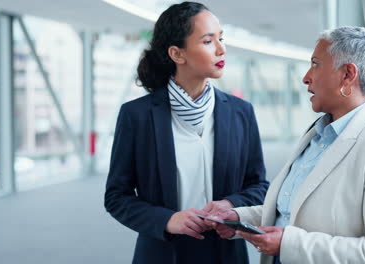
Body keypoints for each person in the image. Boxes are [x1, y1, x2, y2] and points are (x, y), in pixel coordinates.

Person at [213, 26, 365, 264]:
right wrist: (237, 218)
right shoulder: (317, 136)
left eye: (316, 64)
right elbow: (291, 213)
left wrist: (289, 244)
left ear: (348, 74)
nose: (306, 77)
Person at [104, 2, 269, 264]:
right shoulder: (137, 115)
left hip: (226, 254)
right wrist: (167, 220)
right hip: (162, 253)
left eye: (221, 38)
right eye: (207, 41)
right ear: (177, 54)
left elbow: (259, 185)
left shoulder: (241, 113)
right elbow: (116, 197)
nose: (221, 48)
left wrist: (231, 205)